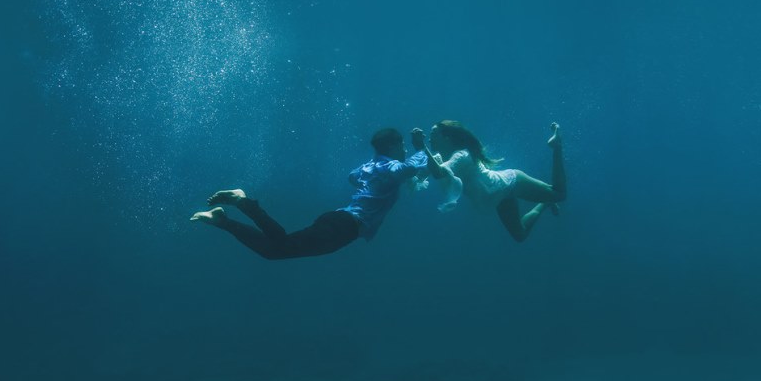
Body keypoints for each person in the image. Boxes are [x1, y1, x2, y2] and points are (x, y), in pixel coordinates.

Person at [190, 128, 428, 260]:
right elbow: (405, 169)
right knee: (278, 247)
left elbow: (353, 176)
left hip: (341, 223)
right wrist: (421, 149)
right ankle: (240, 202)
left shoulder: (371, 167)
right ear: (392, 147)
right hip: (345, 226)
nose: (404, 150)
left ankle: (224, 218)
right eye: (402, 147)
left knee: (276, 249)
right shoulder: (387, 168)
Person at [411, 120, 566, 242]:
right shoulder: (439, 158)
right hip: (497, 197)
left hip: (508, 183)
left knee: (559, 193)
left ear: (447, 138)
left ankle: (557, 145)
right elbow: (422, 172)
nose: (429, 138)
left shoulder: (461, 155)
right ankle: (546, 202)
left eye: (433, 134)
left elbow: (438, 173)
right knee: (520, 235)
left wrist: (421, 146)